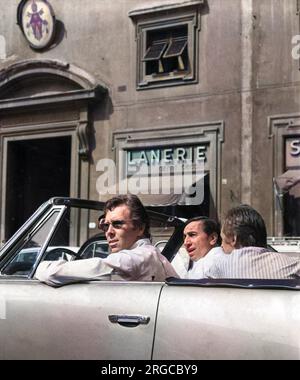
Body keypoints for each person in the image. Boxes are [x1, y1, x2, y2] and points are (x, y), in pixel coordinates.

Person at [35, 194, 178, 286]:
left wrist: (39, 267)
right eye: (105, 225)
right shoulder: (153, 255)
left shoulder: (135, 258)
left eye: (117, 224)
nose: (108, 232)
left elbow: (53, 273)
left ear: (140, 228)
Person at [203, 204, 300, 279]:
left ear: (233, 239)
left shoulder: (218, 267)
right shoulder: (292, 265)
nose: (221, 246)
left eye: (222, 240)